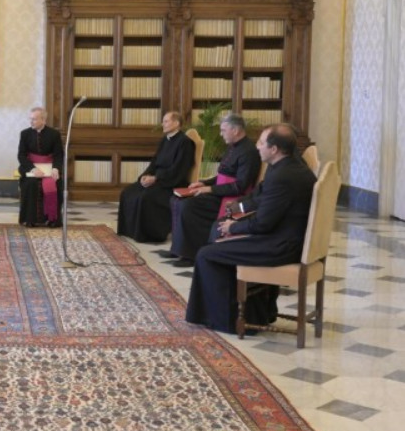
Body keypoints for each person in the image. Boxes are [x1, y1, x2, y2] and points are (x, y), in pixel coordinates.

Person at [186, 124, 317, 334]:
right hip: (284, 236)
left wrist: (234, 227)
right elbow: (260, 197)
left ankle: (227, 320)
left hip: (281, 245)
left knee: (206, 254)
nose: (256, 146)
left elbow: (262, 224)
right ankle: (255, 313)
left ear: (274, 149)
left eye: (261, 142)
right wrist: (237, 210)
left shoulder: (282, 176)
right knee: (218, 233)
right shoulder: (288, 166)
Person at [160, 113, 260, 267]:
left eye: (223, 130)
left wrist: (210, 189)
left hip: (231, 198)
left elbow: (240, 186)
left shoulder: (248, 151)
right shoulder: (232, 147)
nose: (220, 134)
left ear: (235, 130)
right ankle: (177, 249)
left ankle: (191, 254)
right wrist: (203, 183)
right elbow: (222, 175)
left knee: (189, 206)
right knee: (176, 199)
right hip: (220, 191)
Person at [117, 111, 195, 243]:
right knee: (127, 192)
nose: (162, 124)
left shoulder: (185, 142)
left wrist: (156, 178)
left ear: (176, 123)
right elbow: (154, 162)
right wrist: (145, 176)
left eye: (166, 121)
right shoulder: (165, 140)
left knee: (146, 197)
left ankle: (148, 235)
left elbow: (179, 169)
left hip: (172, 182)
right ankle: (130, 231)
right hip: (158, 178)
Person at [18, 107, 64, 228]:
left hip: (49, 167)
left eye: (34, 119)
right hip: (30, 167)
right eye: (30, 119)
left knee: (54, 182)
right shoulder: (25, 134)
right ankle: (30, 219)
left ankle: (52, 218)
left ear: (43, 120)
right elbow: (21, 155)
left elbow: (58, 155)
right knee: (31, 183)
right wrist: (33, 169)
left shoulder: (54, 134)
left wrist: (56, 168)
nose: (31, 121)